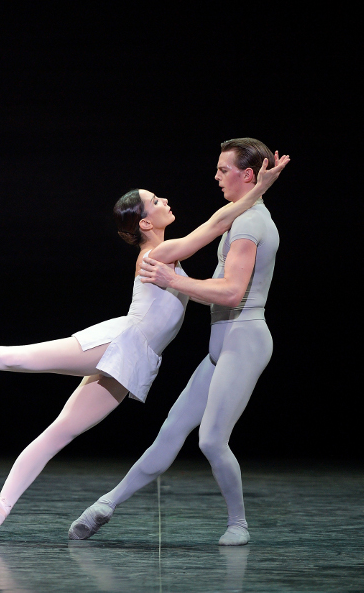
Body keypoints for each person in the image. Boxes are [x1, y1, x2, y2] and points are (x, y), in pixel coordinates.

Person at [0, 149, 288, 540]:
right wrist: (261, 188)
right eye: (155, 200)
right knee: (14, 359)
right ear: (145, 223)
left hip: (136, 361)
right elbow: (216, 225)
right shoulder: (157, 254)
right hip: (118, 342)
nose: (164, 199)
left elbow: (217, 232)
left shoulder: (168, 255)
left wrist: (257, 191)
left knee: (59, 432)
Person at [70, 138, 282, 546]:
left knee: (211, 439)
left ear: (247, 174)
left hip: (245, 339)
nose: (217, 176)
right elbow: (215, 223)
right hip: (225, 343)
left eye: (224, 170)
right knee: (171, 430)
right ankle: (105, 505)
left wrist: (175, 281)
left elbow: (233, 292)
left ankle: (238, 524)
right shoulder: (242, 217)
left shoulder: (252, 225)